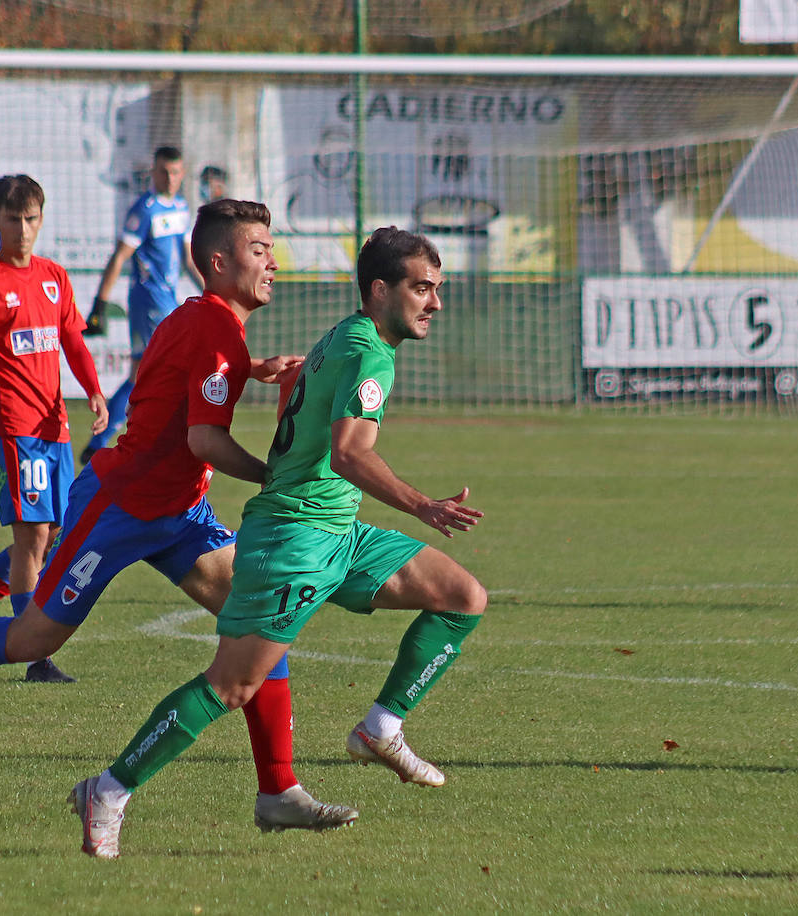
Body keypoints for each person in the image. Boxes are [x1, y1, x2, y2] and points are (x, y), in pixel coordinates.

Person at [0, 200, 357, 852]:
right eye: (258, 249)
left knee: (260, 622)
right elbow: (205, 440)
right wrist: (277, 476)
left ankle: (277, 790)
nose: (272, 259)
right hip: (118, 506)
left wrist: (249, 371)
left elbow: (174, 382)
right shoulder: (213, 328)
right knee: (34, 639)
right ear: (218, 262)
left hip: (179, 513)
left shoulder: (212, 325)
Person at [69, 226, 488, 857]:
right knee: (232, 685)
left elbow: (309, 414)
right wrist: (421, 505)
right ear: (381, 290)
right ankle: (108, 788)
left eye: (437, 290)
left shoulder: (348, 335)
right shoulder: (367, 353)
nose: (435, 303)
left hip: (333, 531)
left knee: (461, 596)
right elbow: (349, 454)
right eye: (422, 289)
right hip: (294, 539)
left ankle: (380, 727)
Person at [0, 174, 109, 683]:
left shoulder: (54, 276)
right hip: (11, 429)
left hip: (54, 427)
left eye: (32, 219)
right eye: (14, 219)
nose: (24, 229)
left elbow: (72, 342)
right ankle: (35, 656)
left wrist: (94, 390)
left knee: (49, 537)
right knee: (32, 538)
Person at [80, 146, 204, 463]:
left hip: (167, 299)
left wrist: (211, 289)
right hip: (149, 300)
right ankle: (152, 435)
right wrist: (100, 303)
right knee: (168, 366)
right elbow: (120, 255)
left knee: (143, 372)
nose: (170, 178)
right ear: (153, 172)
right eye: (164, 171)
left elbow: (187, 258)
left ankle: (105, 436)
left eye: (176, 172)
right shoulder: (144, 209)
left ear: (183, 173)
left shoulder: (180, 206)